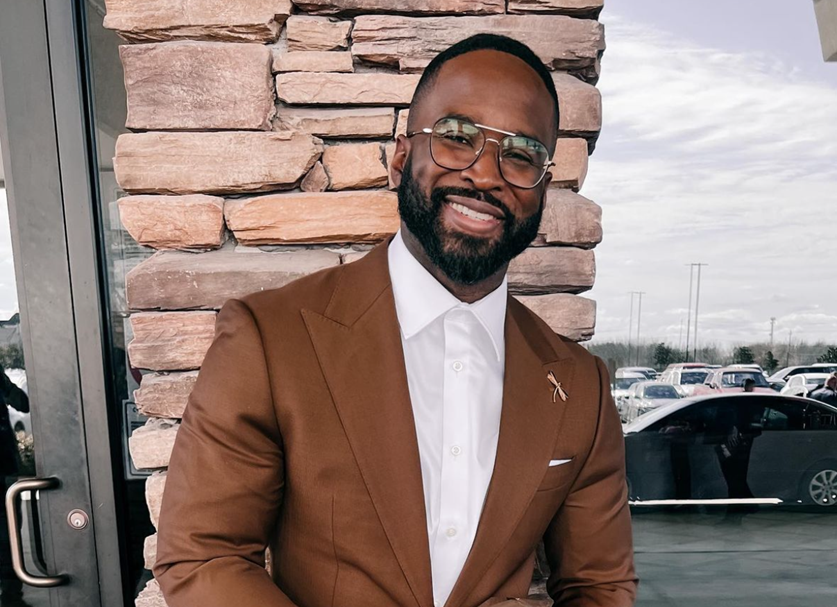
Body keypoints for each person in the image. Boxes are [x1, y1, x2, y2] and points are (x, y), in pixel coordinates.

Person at [154, 34, 637, 607]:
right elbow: (204, 556)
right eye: (457, 136)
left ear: (543, 187)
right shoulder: (269, 338)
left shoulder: (580, 385)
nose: (487, 174)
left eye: (521, 153)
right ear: (403, 157)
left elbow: (599, 586)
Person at [0, 365, 31, 607]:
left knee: (8, 531)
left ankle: (12, 595)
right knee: (7, 531)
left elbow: (22, 403)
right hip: (4, 466)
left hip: (4, 467)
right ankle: (11, 595)